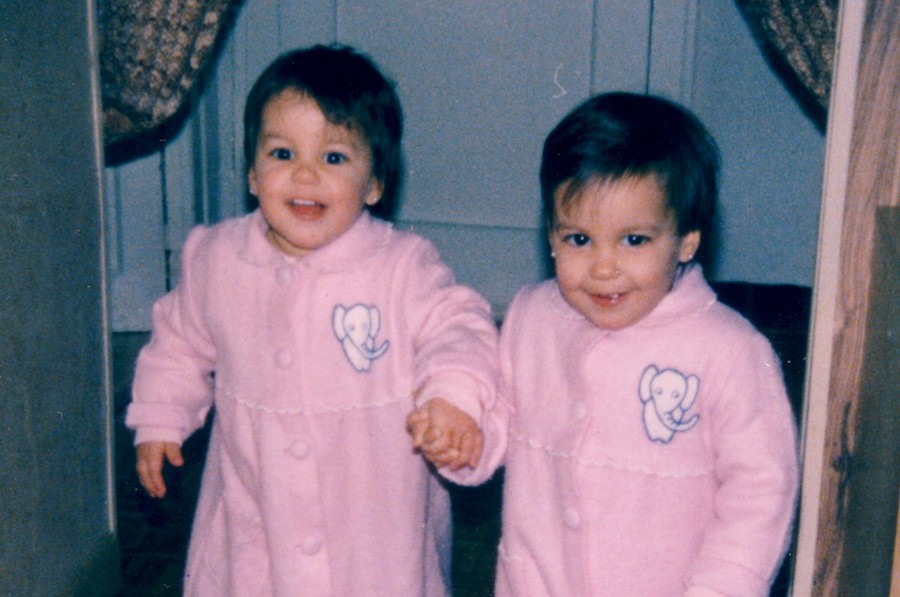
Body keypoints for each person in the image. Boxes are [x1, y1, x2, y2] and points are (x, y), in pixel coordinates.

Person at [126, 44, 497, 596]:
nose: (305, 174)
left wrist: (452, 396)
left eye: (334, 158)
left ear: (375, 184)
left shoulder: (401, 267)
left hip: (371, 515)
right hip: (257, 500)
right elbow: (179, 343)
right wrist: (160, 417)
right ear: (253, 173)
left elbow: (459, 326)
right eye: (282, 153)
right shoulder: (217, 259)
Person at [410, 92, 799, 596]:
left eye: (634, 240)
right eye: (578, 239)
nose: (603, 267)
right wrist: (466, 438)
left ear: (686, 240)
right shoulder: (534, 316)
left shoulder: (728, 350)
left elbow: (761, 489)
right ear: (551, 234)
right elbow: (502, 416)